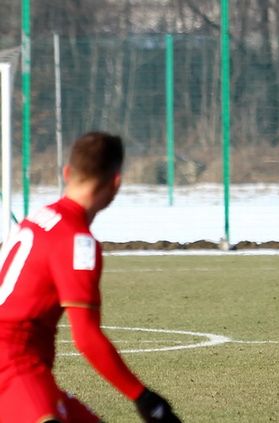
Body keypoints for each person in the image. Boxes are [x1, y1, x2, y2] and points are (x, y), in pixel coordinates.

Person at [0, 132, 181, 422]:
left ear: (67, 172)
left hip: (24, 365)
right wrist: (143, 397)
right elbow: (86, 337)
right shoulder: (78, 242)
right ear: (116, 182)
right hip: (13, 364)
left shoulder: (37, 217)